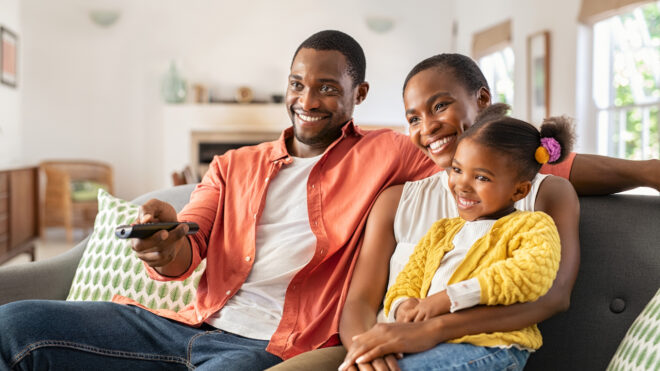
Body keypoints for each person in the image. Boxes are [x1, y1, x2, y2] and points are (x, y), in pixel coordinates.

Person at [0, 30, 439, 371]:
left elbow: (465, 171)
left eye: (326, 88)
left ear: (359, 94)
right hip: (182, 325)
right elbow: (186, 251)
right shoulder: (233, 164)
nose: (306, 100)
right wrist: (163, 245)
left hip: (266, 347)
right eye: (297, 84)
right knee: (13, 326)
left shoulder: (389, 153)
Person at [378, 103, 572, 370]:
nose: (462, 185)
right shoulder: (441, 232)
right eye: (457, 170)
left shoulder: (532, 226)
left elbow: (529, 274)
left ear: (519, 191)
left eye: (481, 177)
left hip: (493, 348)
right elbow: (408, 279)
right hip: (430, 342)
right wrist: (404, 305)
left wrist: (446, 299)